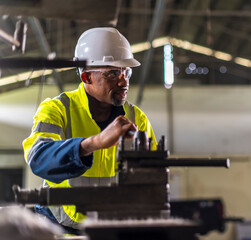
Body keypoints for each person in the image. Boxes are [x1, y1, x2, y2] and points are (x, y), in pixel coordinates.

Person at [22, 27, 157, 233]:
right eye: (113, 73)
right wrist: (94, 143)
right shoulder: (58, 110)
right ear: (86, 77)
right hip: (58, 227)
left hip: (110, 228)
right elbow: (38, 159)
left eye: (126, 72)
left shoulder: (137, 118)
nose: (124, 81)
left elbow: (152, 175)